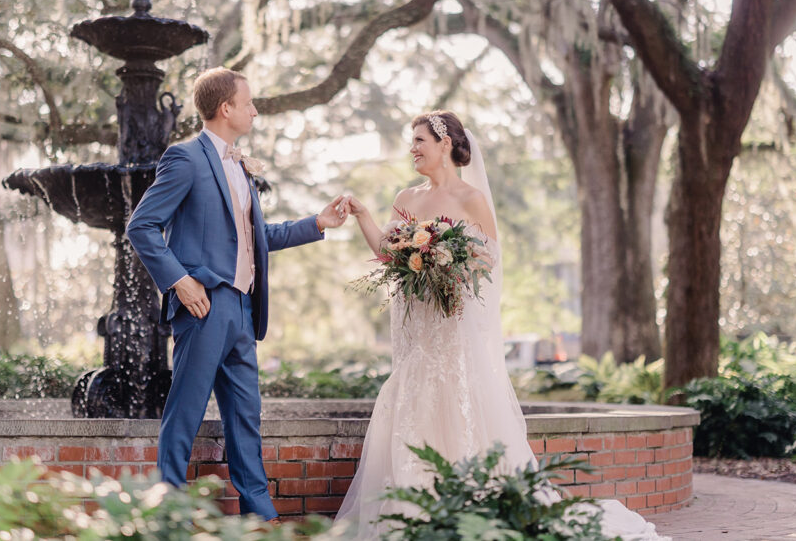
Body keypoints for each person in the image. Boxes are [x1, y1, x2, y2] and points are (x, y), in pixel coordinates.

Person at [335, 110, 668, 540]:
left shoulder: (472, 199)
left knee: (458, 406)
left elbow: (488, 260)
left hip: (453, 330)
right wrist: (364, 214)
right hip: (418, 331)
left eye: (419, 140)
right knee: (411, 405)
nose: (412, 148)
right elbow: (388, 251)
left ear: (445, 144)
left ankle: (470, 517)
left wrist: (447, 263)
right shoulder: (407, 197)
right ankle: (412, 518)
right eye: (411, 141)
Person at [126, 67, 349, 522]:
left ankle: (260, 517)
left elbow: (256, 237)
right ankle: (167, 512)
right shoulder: (185, 158)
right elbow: (141, 226)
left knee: (246, 419)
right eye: (248, 103)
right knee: (184, 413)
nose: (254, 110)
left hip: (244, 311)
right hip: (204, 305)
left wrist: (317, 223)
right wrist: (180, 280)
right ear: (225, 108)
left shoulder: (239, 165)